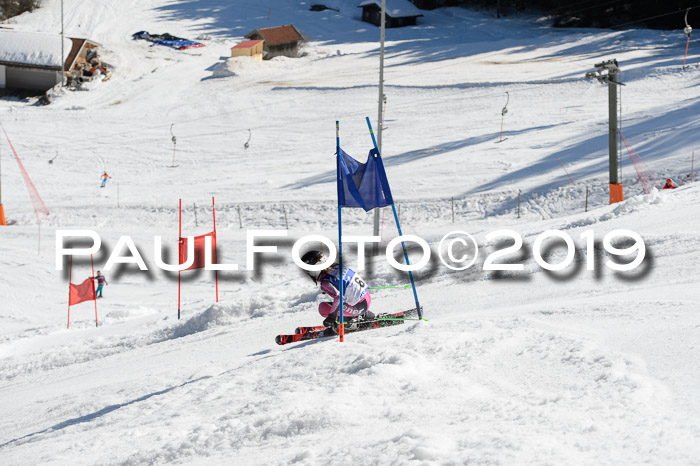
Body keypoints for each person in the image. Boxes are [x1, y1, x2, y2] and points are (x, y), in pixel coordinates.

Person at [301, 250, 374, 328]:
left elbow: (339, 298)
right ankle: (361, 314)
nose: (309, 274)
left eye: (309, 271)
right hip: (366, 297)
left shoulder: (326, 282)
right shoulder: (338, 267)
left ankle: (349, 323)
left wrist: (332, 317)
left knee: (323, 308)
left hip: (358, 307)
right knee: (342, 301)